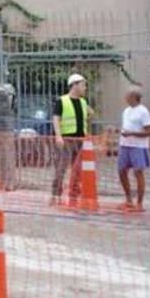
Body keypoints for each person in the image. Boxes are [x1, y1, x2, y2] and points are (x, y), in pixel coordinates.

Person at [50, 73, 95, 207]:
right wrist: (58, 136)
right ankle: (55, 195)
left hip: (80, 139)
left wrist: (90, 118)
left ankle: (74, 194)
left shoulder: (83, 101)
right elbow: (56, 118)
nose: (85, 87)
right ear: (74, 85)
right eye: (83, 85)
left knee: (77, 170)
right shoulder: (62, 101)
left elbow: (89, 114)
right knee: (61, 168)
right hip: (66, 139)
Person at [118, 85, 150, 212]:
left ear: (133, 97)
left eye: (127, 94)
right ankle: (128, 199)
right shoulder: (126, 111)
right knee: (121, 171)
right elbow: (125, 127)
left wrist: (132, 133)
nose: (125, 97)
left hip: (138, 146)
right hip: (124, 144)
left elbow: (149, 131)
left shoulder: (143, 111)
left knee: (138, 173)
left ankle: (140, 203)